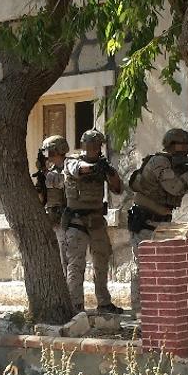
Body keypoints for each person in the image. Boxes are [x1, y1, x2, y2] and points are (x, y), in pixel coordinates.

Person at [62, 129, 124, 315]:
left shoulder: (103, 165)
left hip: (96, 220)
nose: (92, 148)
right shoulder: (71, 161)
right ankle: (76, 306)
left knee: (101, 263)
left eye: (96, 145)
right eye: (89, 145)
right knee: (76, 264)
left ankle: (104, 303)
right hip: (76, 221)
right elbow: (78, 170)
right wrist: (96, 167)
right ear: (83, 145)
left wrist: (109, 172)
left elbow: (117, 189)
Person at [126, 128, 188, 232]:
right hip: (146, 222)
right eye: (182, 145)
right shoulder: (159, 161)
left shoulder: (173, 164)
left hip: (159, 221)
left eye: (187, 145)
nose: (186, 149)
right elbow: (175, 188)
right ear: (170, 145)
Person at [36, 135, 71, 270]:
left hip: (67, 220)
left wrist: (45, 172)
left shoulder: (70, 167)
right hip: (53, 220)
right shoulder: (51, 172)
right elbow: (43, 199)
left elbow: (63, 182)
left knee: (67, 261)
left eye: (51, 152)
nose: (49, 156)